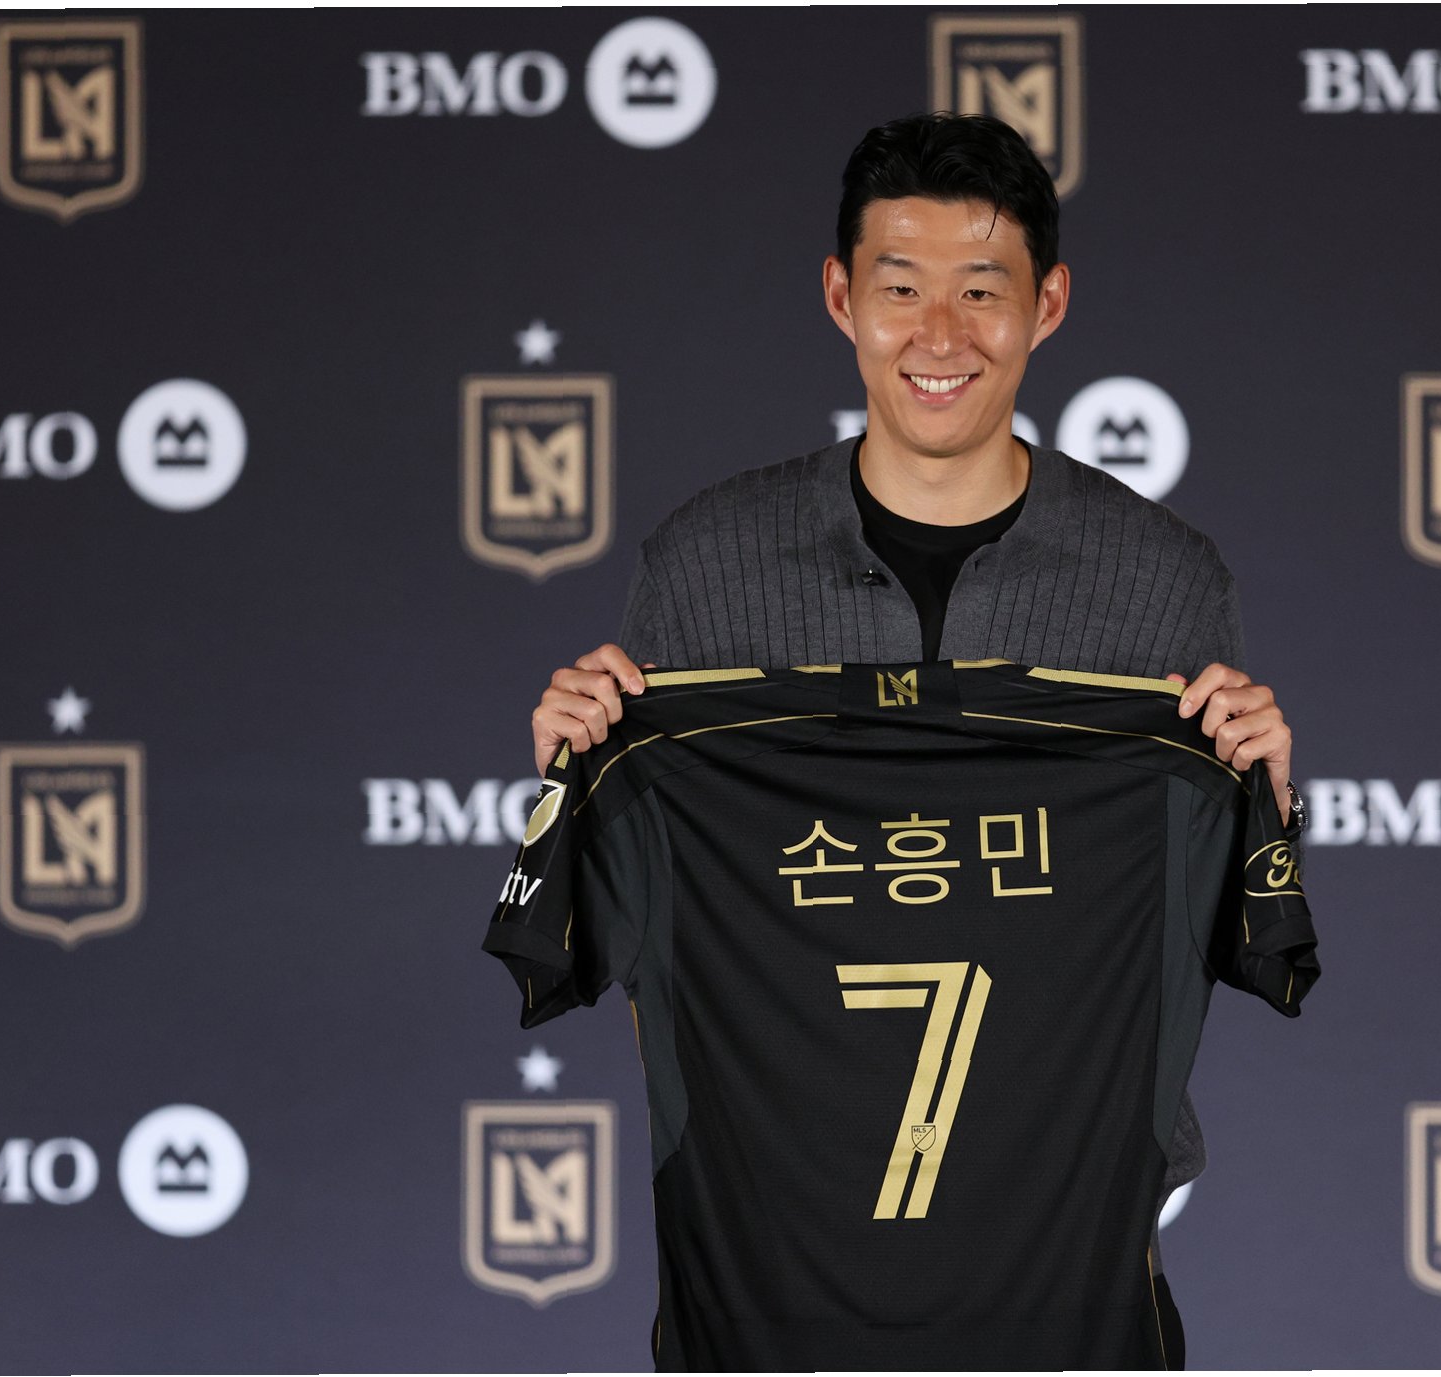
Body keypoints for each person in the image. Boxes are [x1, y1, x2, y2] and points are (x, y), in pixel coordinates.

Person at [528, 111, 1299, 1370]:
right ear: (842, 297)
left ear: (1049, 305)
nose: (941, 336)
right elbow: (639, 942)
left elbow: (1209, 938)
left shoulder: (1163, 581)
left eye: (982, 291)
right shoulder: (705, 565)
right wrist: (584, 781)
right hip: (774, 1278)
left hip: (1066, 1276)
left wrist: (1264, 802)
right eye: (901, 289)